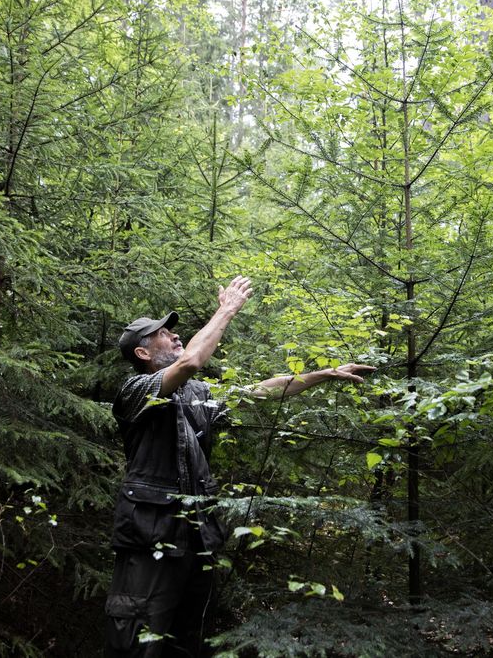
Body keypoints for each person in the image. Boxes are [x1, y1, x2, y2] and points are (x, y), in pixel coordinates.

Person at [104, 275, 375, 657]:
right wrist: (227, 309)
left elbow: (256, 393)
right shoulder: (135, 391)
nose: (176, 336)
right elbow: (192, 361)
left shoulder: (196, 394)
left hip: (197, 537)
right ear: (143, 354)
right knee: (137, 641)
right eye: (165, 333)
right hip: (151, 540)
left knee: (188, 640)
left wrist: (322, 375)